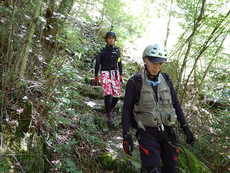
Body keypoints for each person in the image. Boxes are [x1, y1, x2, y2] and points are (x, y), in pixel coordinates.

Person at [122, 44, 195, 173]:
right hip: (146, 132)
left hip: (168, 132)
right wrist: (126, 135)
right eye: (153, 63)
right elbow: (127, 109)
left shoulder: (166, 79)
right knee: (151, 169)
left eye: (160, 64)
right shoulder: (135, 82)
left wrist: (186, 128)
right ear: (145, 60)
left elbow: (176, 104)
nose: (156, 67)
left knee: (171, 168)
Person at [94, 31, 123, 128]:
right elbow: (98, 63)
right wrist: (96, 75)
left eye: (113, 38)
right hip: (105, 73)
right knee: (108, 93)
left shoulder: (117, 50)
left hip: (115, 73)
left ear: (115, 39)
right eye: (109, 38)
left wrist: (121, 74)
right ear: (106, 39)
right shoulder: (102, 51)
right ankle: (109, 114)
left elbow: (119, 63)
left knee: (117, 95)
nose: (111, 39)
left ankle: (109, 109)